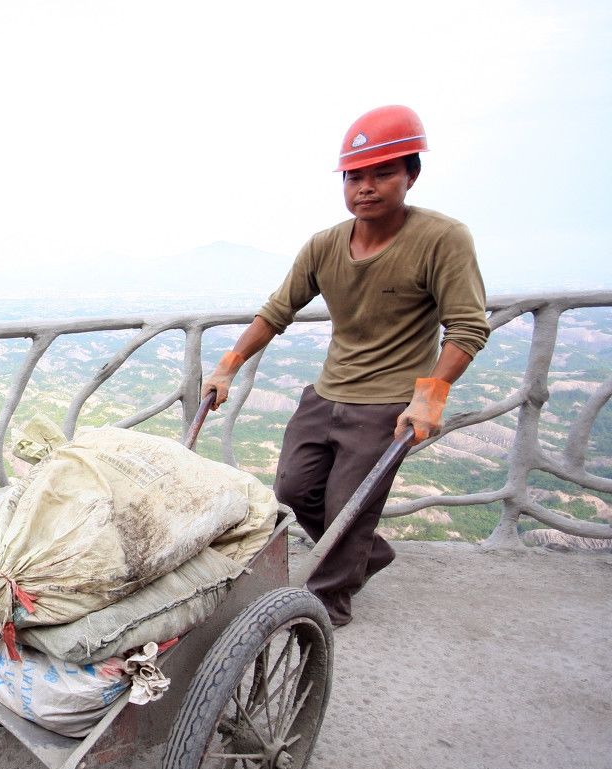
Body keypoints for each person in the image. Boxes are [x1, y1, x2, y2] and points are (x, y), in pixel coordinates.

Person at [202, 105, 490, 628]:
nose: (366, 187)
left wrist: (430, 396)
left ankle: (324, 604)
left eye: (383, 173)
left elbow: (467, 327)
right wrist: (227, 366)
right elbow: (276, 311)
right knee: (293, 490)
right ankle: (365, 554)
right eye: (355, 176)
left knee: (348, 508)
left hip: (388, 404)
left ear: (411, 175)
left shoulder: (442, 239)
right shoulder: (324, 245)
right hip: (327, 392)